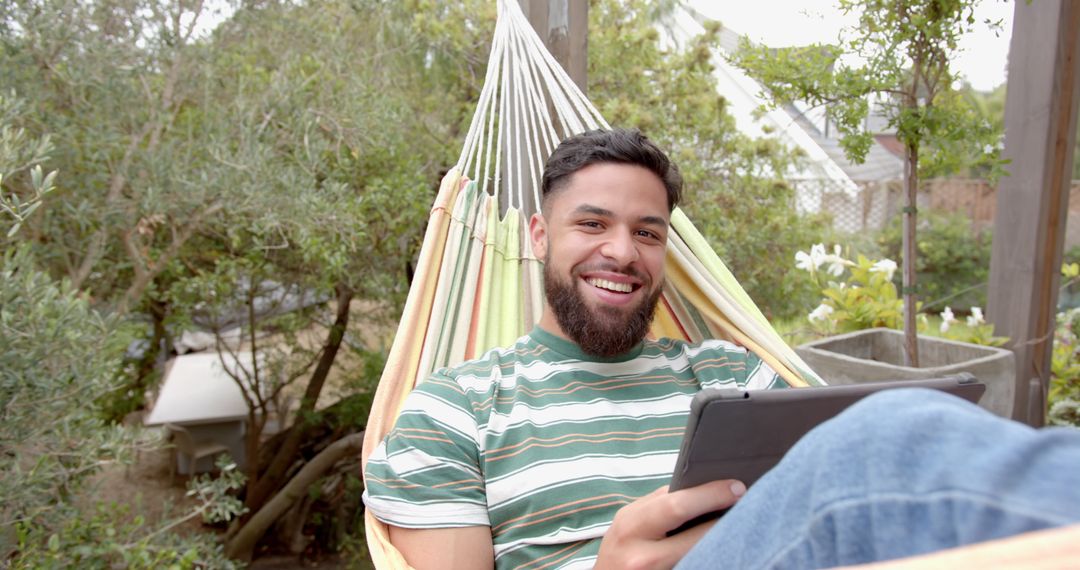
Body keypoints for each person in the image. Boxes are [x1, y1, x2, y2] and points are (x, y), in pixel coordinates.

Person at [363, 129, 1080, 569]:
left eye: (648, 232)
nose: (623, 251)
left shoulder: (727, 371)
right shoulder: (452, 412)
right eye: (592, 224)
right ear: (538, 236)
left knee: (900, 437)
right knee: (889, 434)